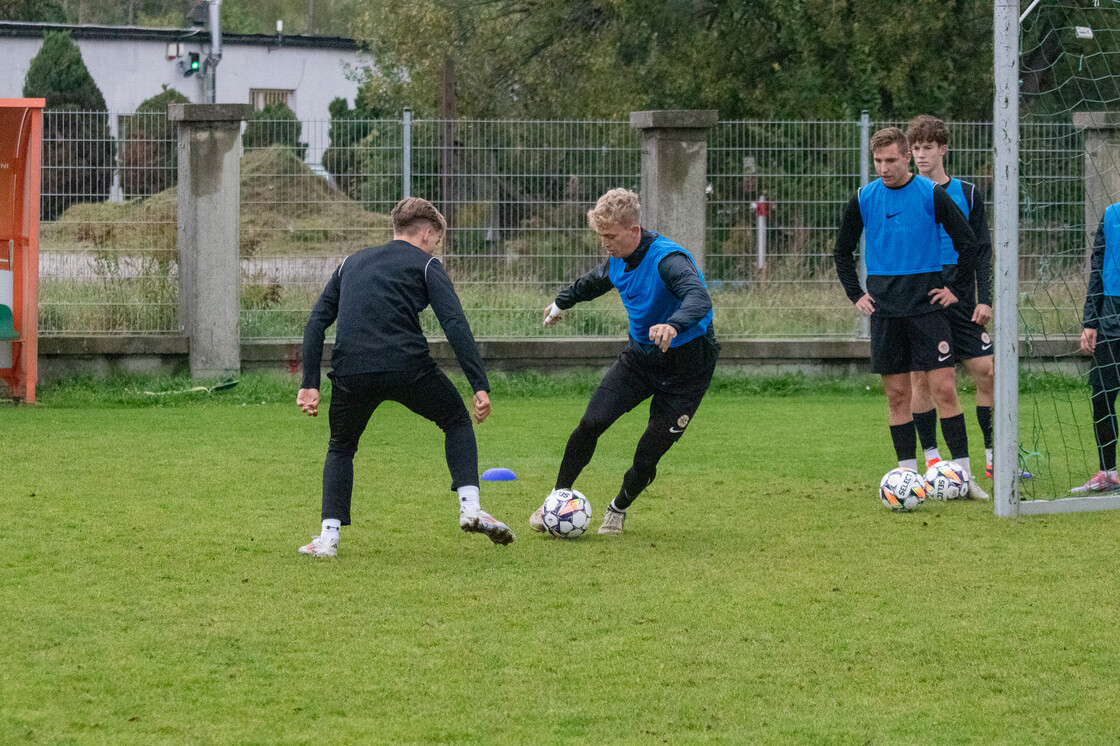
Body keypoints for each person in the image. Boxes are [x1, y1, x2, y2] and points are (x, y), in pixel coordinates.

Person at [296, 197, 514, 557]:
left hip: (352, 371)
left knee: (341, 447)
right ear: (427, 233)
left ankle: (327, 540)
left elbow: (317, 322)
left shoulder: (351, 263)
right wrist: (479, 384)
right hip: (407, 366)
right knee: (456, 421)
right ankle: (471, 508)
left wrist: (310, 382)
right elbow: (455, 324)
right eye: (437, 240)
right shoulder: (428, 265)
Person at [531, 187, 719, 536]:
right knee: (591, 422)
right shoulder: (618, 259)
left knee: (647, 455)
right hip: (641, 360)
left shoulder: (668, 260)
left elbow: (699, 297)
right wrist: (561, 304)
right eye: (601, 236)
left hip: (687, 372)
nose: (605, 244)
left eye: (611, 236)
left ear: (634, 231)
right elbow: (594, 282)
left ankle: (617, 509)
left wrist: (673, 324)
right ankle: (554, 502)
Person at [834, 127, 985, 490]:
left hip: (927, 308)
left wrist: (954, 290)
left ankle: (964, 478)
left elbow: (969, 243)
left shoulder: (930, 194)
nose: (884, 168)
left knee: (944, 389)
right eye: (878, 161)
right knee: (897, 395)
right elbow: (842, 251)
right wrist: (856, 294)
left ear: (906, 159)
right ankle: (907, 478)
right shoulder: (863, 198)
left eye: (890, 160)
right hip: (886, 311)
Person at [905, 115, 1000, 495]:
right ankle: (933, 461)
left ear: (943, 149)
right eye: (916, 148)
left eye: (928, 147)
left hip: (959, 293)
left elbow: (981, 249)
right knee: (923, 378)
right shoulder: (907, 194)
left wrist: (984, 298)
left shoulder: (969, 193)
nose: (922, 155)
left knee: (987, 370)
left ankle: (993, 454)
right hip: (924, 291)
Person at [1074, 200, 1120, 494]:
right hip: (1111, 320)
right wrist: (1090, 321)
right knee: (1102, 397)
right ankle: (1108, 473)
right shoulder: (1111, 214)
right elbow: (1097, 269)